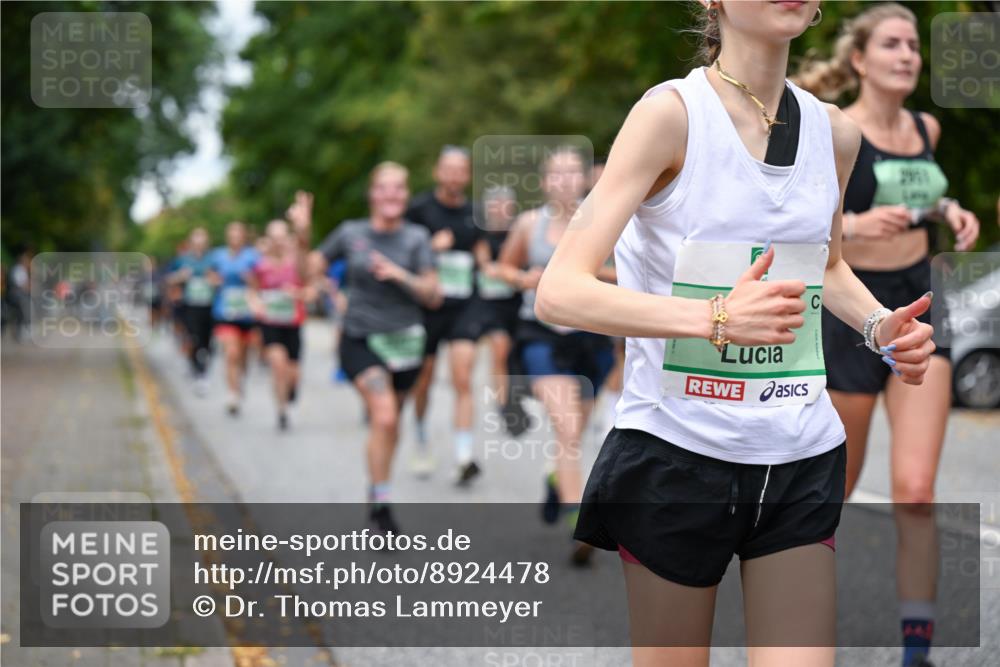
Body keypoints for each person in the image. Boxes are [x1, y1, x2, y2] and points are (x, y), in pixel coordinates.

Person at [534, 1, 937, 665]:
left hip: (799, 451)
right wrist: (713, 317)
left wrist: (876, 324)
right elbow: (560, 288)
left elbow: (826, 263)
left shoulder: (834, 132)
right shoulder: (670, 116)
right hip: (677, 454)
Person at [794, 5, 981, 666]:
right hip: (852, 316)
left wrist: (952, 211)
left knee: (918, 490)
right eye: (892, 44)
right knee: (833, 490)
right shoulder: (834, 130)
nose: (907, 55)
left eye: (914, 46)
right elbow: (810, 222)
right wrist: (862, 223)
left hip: (922, 306)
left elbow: (925, 199)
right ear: (862, 59)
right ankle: (793, 618)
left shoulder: (926, 127)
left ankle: (916, 648)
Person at [496, 147, 615, 565]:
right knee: (565, 427)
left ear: (584, 180)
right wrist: (524, 278)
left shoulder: (604, 223)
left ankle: (555, 480)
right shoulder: (530, 224)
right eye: (556, 174)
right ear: (545, 182)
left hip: (590, 337)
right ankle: (576, 520)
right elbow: (502, 268)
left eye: (572, 173)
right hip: (541, 333)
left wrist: (592, 273)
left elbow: (629, 274)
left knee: (574, 433)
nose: (564, 181)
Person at [311, 162, 439, 534]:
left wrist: (401, 275)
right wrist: (331, 291)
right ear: (372, 194)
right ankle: (382, 506)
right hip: (361, 339)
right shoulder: (351, 233)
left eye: (399, 188)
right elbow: (310, 269)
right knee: (384, 416)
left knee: (390, 423)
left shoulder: (416, 238)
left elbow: (433, 295)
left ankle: (377, 489)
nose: (392, 195)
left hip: (405, 343)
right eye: (384, 188)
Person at [406, 146, 483, 484]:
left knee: (463, 378)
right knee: (423, 380)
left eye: (460, 170)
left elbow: (482, 257)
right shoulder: (419, 210)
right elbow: (401, 255)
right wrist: (428, 248)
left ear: (467, 175)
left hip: (464, 306)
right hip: (427, 309)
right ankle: (421, 438)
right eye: (447, 169)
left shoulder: (475, 213)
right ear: (438, 172)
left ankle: (464, 456)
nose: (453, 176)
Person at [248, 193, 313, 431]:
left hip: (293, 322)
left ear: (287, 238)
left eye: (282, 236)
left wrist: (303, 225)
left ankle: (291, 390)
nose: (277, 241)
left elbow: (305, 246)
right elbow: (252, 291)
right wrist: (255, 303)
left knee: (293, 373)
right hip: (270, 323)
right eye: (273, 237)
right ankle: (282, 410)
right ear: (268, 239)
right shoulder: (260, 264)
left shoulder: (295, 260)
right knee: (278, 365)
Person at [468, 185, 524, 442]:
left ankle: (513, 395)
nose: (500, 211)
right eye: (495, 206)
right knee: (500, 348)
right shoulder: (479, 234)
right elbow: (479, 265)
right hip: (489, 305)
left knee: (514, 352)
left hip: (515, 303)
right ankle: (503, 405)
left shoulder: (519, 233)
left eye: (505, 206)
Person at [208, 221, 260, 416]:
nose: (235, 238)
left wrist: (251, 280)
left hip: (247, 312)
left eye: (239, 234)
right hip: (225, 311)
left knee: (244, 356)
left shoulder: (252, 256)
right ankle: (232, 394)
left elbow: (260, 282)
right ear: (227, 236)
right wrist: (215, 281)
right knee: (231, 353)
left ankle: (240, 381)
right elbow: (210, 277)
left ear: (244, 236)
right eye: (232, 234)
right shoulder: (218, 255)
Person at [167, 228, 215, 395]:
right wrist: (181, 276)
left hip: (210, 306)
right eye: (196, 242)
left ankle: (202, 366)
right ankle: (198, 372)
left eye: (202, 242)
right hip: (190, 306)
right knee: (193, 339)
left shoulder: (213, 259)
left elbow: (221, 279)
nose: (199, 245)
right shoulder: (182, 260)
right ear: (191, 243)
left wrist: (213, 279)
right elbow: (169, 279)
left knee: (207, 343)